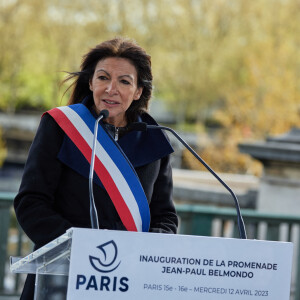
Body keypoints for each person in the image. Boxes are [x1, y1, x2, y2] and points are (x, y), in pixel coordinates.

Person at [14, 37, 178, 299]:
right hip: (62, 278)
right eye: (103, 78)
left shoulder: (154, 139)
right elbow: (31, 203)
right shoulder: (61, 127)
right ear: (91, 83)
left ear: (138, 91)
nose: (111, 88)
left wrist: (144, 252)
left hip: (128, 281)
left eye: (124, 81)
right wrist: (83, 248)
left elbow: (166, 218)